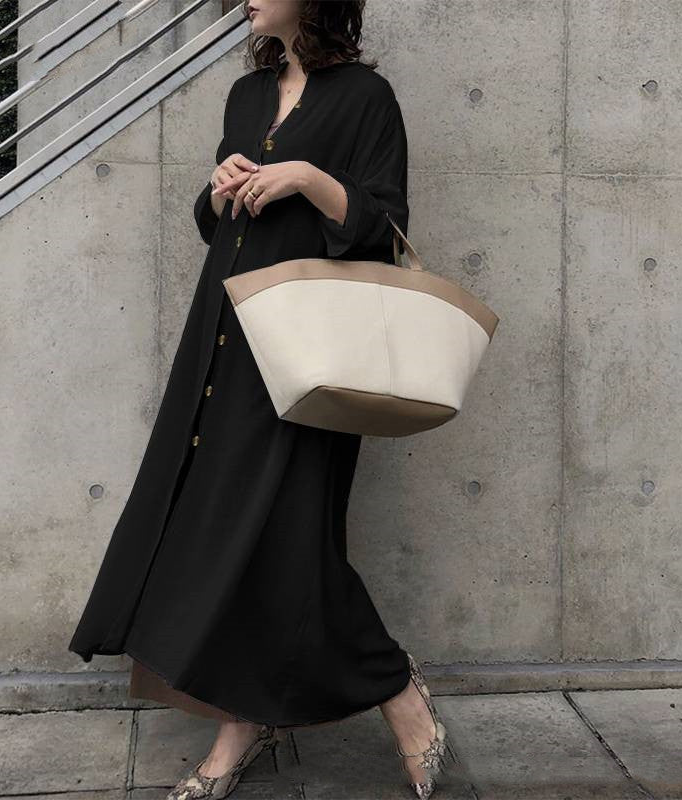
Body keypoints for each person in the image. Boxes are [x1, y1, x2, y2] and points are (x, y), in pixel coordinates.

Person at [68, 1, 456, 798]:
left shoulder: (365, 98)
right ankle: (244, 725)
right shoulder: (247, 95)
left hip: (305, 352)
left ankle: (392, 688)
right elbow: (215, 221)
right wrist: (219, 189)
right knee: (220, 530)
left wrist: (308, 179)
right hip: (223, 339)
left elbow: (385, 223)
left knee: (289, 537)